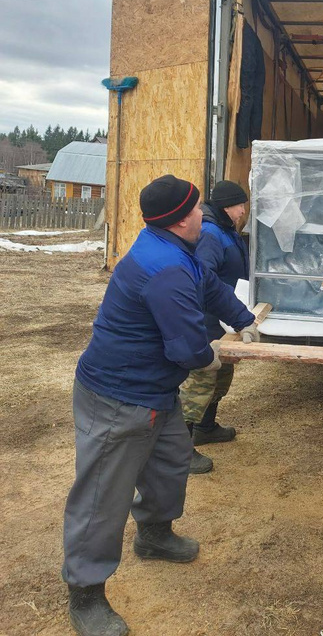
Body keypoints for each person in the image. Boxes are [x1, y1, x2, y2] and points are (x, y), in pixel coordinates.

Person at [61, 175, 255, 636]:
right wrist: (216, 354)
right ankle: (85, 593)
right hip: (118, 395)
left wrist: (246, 321)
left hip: (154, 391)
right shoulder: (164, 267)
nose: (202, 215)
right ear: (183, 218)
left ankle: (154, 535)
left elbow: (210, 287)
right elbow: (190, 349)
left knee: (169, 463)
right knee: (102, 495)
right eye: (196, 209)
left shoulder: (174, 249)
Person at [180, 180, 258, 474]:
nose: (242, 212)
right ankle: (180, 450)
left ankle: (206, 427)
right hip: (208, 322)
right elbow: (203, 279)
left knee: (222, 375)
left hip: (223, 319)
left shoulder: (225, 229)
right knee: (199, 383)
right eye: (241, 206)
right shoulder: (212, 234)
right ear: (228, 206)